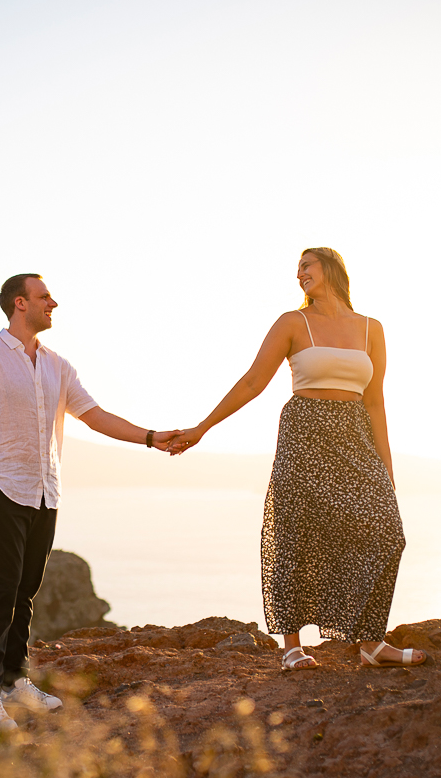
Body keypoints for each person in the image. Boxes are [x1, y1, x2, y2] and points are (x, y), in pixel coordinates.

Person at [169, 248, 424, 671]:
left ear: (331, 269)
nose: (300, 273)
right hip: (304, 430)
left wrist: (386, 470)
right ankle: (291, 648)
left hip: (355, 434)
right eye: (298, 269)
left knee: (386, 530)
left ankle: (371, 644)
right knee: (295, 531)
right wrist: (202, 427)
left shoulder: (370, 329)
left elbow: (376, 402)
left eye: (307, 265)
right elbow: (253, 381)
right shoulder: (292, 322)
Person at [0, 273, 179, 736]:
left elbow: (96, 417)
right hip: (5, 491)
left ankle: (15, 682)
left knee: (26, 593)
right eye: (44, 296)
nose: (53, 302)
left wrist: (151, 438)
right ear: (20, 303)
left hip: (45, 492)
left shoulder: (57, 365)